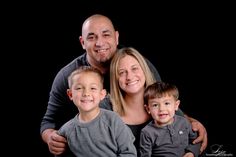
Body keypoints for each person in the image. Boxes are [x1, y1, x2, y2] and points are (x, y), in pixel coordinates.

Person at [40, 14, 207, 156]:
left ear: (117, 37)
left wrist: (190, 122)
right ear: (82, 42)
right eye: (91, 37)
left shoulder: (139, 65)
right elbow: (48, 122)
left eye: (106, 34)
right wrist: (51, 138)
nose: (99, 43)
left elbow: (161, 98)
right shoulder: (68, 76)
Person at [109, 47, 203, 157]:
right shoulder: (108, 112)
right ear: (115, 78)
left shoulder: (168, 106)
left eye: (134, 68)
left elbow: (194, 139)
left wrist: (191, 152)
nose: (129, 76)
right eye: (122, 72)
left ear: (144, 69)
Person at [56, 66, 137, 157]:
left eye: (93, 88)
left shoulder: (113, 120)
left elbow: (129, 153)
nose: (86, 93)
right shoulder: (66, 130)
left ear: (102, 94)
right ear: (70, 94)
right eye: (79, 88)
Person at [140, 81, 200, 157]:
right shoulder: (147, 132)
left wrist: (191, 153)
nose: (161, 109)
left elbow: (196, 141)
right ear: (148, 109)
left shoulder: (183, 122)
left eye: (167, 103)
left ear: (176, 105)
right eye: (155, 105)